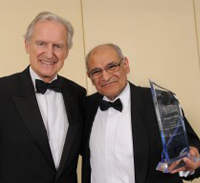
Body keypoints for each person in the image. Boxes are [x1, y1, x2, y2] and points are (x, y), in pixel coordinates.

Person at [82, 43, 200, 183]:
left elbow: (191, 147)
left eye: (111, 66)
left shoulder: (162, 100)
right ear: (89, 76)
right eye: (96, 71)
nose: (105, 77)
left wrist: (192, 157)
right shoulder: (85, 106)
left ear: (125, 65)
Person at [0, 11, 86, 183]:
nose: (49, 54)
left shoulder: (78, 95)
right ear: (27, 45)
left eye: (58, 46)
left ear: (67, 51)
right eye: (42, 44)